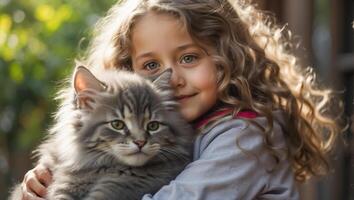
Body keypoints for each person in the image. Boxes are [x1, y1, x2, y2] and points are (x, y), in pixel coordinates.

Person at [19, 0, 344, 199]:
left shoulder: (245, 136)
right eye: (150, 65)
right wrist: (45, 182)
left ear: (227, 58)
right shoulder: (159, 131)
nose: (170, 78)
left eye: (189, 58)